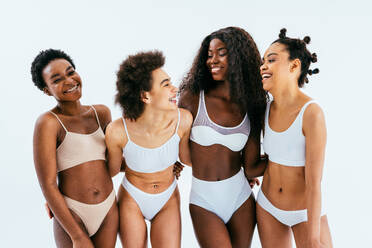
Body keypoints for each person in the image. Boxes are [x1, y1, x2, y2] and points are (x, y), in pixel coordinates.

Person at [178, 27, 268, 248]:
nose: (212, 60)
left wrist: (291, 161)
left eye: (221, 53)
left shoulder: (253, 105)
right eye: (209, 54)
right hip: (203, 201)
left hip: (240, 198)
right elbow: (172, 142)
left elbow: (252, 167)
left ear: (238, 57)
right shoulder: (192, 98)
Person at [105, 50, 193, 248]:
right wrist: (63, 197)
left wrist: (239, 171)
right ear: (145, 96)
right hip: (132, 199)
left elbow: (188, 159)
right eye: (166, 84)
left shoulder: (184, 120)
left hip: (167, 198)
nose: (175, 88)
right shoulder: (118, 130)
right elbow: (108, 172)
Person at [31, 49, 118, 248]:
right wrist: (77, 236)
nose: (69, 81)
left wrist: (164, 164)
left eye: (71, 72)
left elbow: (116, 163)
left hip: (108, 211)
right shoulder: (48, 123)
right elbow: (48, 184)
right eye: (57, 79)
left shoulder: (101, 113)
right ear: (46, 90)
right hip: (73, 214)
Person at [257, 28, 333, 248]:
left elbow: (314, 183)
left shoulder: (311, 113)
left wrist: (313, 237)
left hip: (305, 213)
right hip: (268, 208)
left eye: (271, 60)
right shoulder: (265, 108)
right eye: (263, 61)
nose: (263, 66)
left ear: (294, 65)